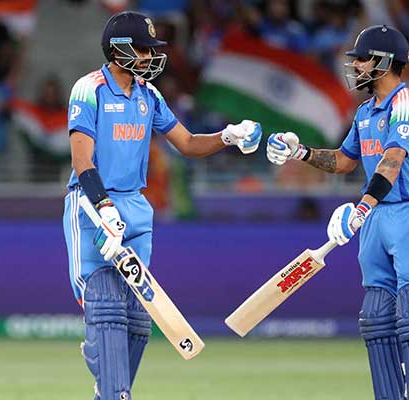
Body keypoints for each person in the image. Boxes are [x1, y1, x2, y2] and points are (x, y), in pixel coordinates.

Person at [63, 11, 261, 400]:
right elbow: (82, 162)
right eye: (142, 49)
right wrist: (104, 208)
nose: (150, 56)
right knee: (105, 303)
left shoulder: (148, 94)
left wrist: (228, 136)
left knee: (138, 318)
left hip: (136, 207)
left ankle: (107, 379)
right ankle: (114, 386)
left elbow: (186, 144)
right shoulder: (88, 90)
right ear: (119, 49)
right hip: (91, 204)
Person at [267, 25, 409, 400]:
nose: (356, 66)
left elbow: (391, 162)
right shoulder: (365, 112)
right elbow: (346, 161)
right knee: (376, 317)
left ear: (383, 62)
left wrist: (362, 207)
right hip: (377, 219)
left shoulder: (407, 106)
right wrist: (300, 154)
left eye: (362, 59)